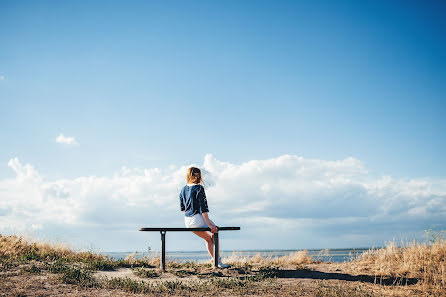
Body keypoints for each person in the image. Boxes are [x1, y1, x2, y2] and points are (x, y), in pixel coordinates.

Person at [179, 167, 229, 268]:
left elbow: (183, 209)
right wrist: (209, 224)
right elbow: (203, 209)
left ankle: (214, 259)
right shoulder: (199, 188)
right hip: (197, 218)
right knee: (215, 231)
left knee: (208, 239)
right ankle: (217, 261)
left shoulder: (183, 189)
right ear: (199, 176)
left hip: (187, 221)